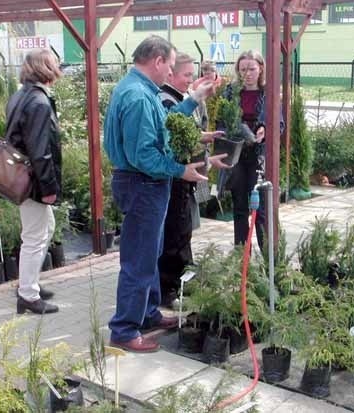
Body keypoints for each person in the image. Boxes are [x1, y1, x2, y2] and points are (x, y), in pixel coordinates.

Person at [104, 36, 214, 353]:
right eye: (170, 64)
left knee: (149, 253)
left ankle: (148, 313)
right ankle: (124, 329)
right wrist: (181, 171)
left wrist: (191, 100)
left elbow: (163, 123)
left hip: (143, 184)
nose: (171, 73)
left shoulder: (140, 91)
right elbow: (144, 156)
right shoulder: (138, 97)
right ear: (158, 61)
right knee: (138, 259)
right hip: (142, 184)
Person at [158, 52, 227, 308]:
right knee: (174, 232)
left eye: (191, 74)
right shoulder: (165, 99)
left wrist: (206, 141)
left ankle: (183, 281)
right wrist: (202, 140)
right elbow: (172, 137)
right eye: (187, 75)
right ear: (170, 73)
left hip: (186, 174)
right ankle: (168, 289)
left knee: (184, 230)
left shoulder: (180, 97)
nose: (191, 80)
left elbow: (188, 134)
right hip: (174, 175)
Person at [9, 50, 62, 315]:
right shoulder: (39, 102)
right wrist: (49, 188)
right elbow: (41, 150)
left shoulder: (22, 95)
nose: (58, 65)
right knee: (34, 237)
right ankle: (28, 295)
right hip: (33, 182)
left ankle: (30, 284)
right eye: (54, 62)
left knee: (44, 229)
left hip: (22, 176)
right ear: (45, 67)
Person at [218, 50, 284, 251]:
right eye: (243, 69)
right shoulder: (230, 92)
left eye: (252, 69)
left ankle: (268, 257)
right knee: (239, 207)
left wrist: (266, 128)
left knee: (261, 209)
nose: (247, 73)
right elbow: (221, 122)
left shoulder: (269, 93)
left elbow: (279, 124)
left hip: (259, 156)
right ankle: (241, 256)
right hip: (237, 154)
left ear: (261, 68)